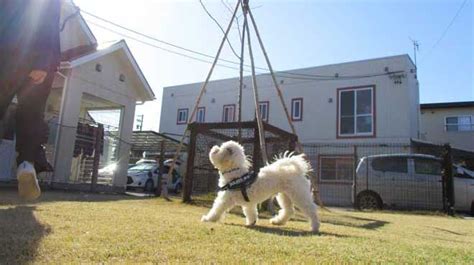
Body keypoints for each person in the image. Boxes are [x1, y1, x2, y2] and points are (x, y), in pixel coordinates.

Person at [0, 0, 62, 200]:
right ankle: (26, 163)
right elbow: (48, 13)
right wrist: (43, 60)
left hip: (8, 52)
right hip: (38, 55)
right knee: (31, 113)